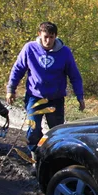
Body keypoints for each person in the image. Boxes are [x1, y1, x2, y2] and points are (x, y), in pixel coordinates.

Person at [6, 22, 85, 155]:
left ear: (56, 36)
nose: (48, 41)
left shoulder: (64, 52)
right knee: (33, 130)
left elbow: (74, 75)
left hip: (56, 98)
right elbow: (18, 69)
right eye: (45, 37)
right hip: (34, 97)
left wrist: (80, 96)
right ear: (39, 35)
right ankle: (35, 157)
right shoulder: (29, 48)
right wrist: (11, 89)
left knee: (56, 131)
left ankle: (55, 156)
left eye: (51, 37)